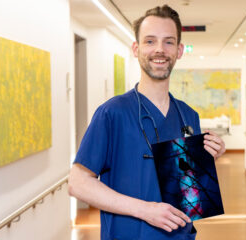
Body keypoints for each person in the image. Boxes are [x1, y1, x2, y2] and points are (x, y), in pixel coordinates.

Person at [68, 5, 226, 240]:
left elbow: (188, 191)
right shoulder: (112, 113)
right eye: (150, 41)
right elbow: (77, 183)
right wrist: (145, 210)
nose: (160, 50)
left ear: (179, 50)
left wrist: (206, 158)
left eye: (169, 42)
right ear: (136, 48)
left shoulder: (188, 115)